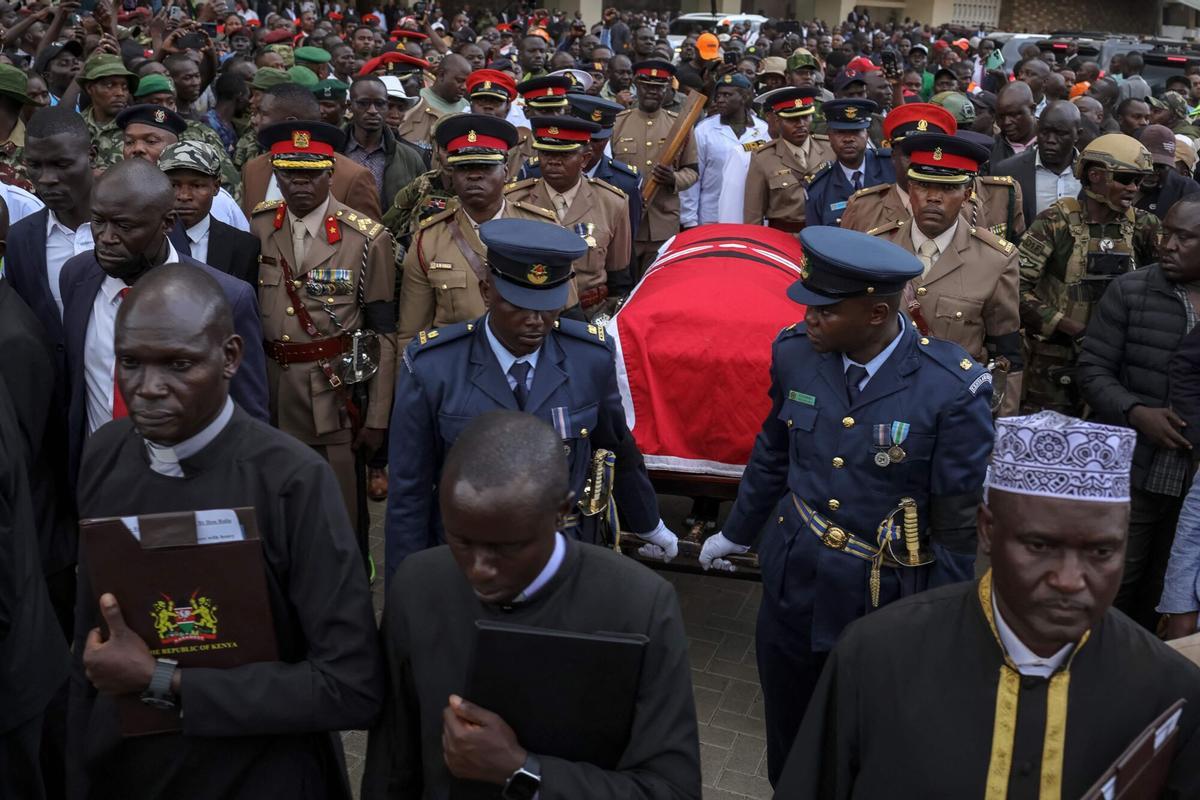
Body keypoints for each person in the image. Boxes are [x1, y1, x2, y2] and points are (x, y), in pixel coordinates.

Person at [67, 265, 382, 799]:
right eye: (131, 363)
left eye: (178, 364)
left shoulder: (293, 482)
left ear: (231, 357)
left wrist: (164, 680)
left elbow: (350, 687)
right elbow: (88, 641)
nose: (148, 389)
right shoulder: (105, 455)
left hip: (259, 775)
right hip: (129, 772)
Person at [698, 226, 994, 784]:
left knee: (869, 736)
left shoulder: (951, 389)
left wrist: (945, 624)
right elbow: (773, 452)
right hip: (795, 574)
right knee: (788, 722)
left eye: (826, 311)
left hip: (885, 592)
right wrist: (736, 532)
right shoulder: (795, 354)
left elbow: (955, 522)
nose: (809, 318)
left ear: (876, 313)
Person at [774, 411, 1200, 798]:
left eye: (1101, 552)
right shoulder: (876, 655)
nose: (1070, 580)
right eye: (1039, 545)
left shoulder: (1170, 695)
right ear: (987, 531)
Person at [362, 410, 700, 799]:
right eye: (461, 541)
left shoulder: (641, 607)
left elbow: (673, 789)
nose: (479, 569)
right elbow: (391, 762)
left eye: (507, 547)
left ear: (561, 513)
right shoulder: (418, 585)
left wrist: (522, 771)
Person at [384, 219, 679, 578]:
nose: (535, 321)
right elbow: (409, 493)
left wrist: (649, 523)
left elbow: (618, 448)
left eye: (548, 306)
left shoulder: (589, 359)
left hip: (563, 559)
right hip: (469, 564)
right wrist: (407, 587)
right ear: (486, 291)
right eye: (519, 306)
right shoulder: (435, 368)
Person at [59, 158, 269, 484]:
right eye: (98, 221)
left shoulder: (227, 298)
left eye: (124, 226)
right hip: (98, 481)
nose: (106, 237)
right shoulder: (76, 276)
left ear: (167, 223)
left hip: (192, 487)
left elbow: (250, 415)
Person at [250, 120, 396, 533]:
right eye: (289, 174)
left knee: (338, 513)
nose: (300, 183)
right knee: (276, 508)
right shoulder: (259, 226)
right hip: (270, 390)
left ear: (331, 173)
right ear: (275, 174)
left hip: (331, 396)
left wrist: (377, 417)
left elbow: (382, 332)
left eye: (312, 174)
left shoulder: (366, 238)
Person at [1077, 195, 1200, 630]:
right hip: (1132, 469)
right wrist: (1136, 412)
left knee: (1173, 594)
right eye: (1167, 233)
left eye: (1184, 238)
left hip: (1193, 482)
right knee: (1113, 586)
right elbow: (1092, 370)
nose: (1168, 244)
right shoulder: (1131, 291)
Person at [867, 132, 1023, 415]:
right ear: (910, 186)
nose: (933, 198)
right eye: (923, 185)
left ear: (967, 194)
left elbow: (1005, 355)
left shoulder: (996, 260)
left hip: (955, 409)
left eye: (948, 188)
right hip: (881, 402)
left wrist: (1000, 429)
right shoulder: (876, 248)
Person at [1017, 134, 1160, 415]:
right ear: (1095, 175)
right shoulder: (1054, 222)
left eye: (1139, 181)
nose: (1133, 188)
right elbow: (1015, 290)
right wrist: (1073, 328)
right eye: (1125, 179)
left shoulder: (1147, 226)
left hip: (1120, 362)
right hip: (1053, 363)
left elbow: (1164, 289)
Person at [397, 114, 571, 343]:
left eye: (486, 167)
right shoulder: (429, 239)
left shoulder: (543, 230)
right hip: (456, 360)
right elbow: (412, 333)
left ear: (506, 172)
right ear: (452, 174)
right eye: (464, 167)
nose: (474, 175)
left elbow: (568, 316)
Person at [503, 115, 632, 321]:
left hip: (590, 314)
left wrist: (608, 319)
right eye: (546, 153)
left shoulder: (612, 203)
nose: (553, 161)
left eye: (564, 154)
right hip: (529, 317)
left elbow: (619, 277)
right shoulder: (513, 200)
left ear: (585, 159)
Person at [610, 59, 698, 278]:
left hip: (664, 222)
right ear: (636, 86)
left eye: (658, 87)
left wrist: (674, 179)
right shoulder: (617, 123)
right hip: (627, 223)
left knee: (659, 282)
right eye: (646, 86)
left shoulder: (680, 126)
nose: (652, 91)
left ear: (667, 89)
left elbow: (692, 170)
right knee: (625, 284)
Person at [241, 83, 381, 220]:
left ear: (290, 122)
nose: (254, 120)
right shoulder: (253, 169)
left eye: (263, 114)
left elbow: (366, 233)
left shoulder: (353, 178)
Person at [521, 93, 641, 245]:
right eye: (581, 139)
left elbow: (625, 244)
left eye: (596, 140)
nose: (588, 146)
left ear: (608, 139)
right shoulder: (536, 171)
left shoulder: (625, 182)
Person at [840, 103, 957, 234]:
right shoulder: (863, 209)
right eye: (909, 154)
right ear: (893, 156)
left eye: (927, 155)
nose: (918, 162)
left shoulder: (964, 208)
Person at [160, 141, 261, 286]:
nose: (184, 196)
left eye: (197, 185)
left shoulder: (244, 247)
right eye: (173, 185)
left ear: (216, 187)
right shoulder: (146, 240)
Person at [680, 73, 769, 228]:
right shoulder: (704, 130)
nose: (720, 100)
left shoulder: (763, 130)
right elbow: (694, 177)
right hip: (712, 216)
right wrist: (689, 220)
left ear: (744, 97)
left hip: (752, 218)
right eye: (718, 95)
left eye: (727, 95)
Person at [743, 87, 829, 232]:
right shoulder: (763, 158)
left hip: (825, 234)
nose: (800, 124)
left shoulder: (829, 149)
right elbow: (753, 216)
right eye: (792, 119)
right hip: (784, 237)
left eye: (806, 117)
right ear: (777, 121)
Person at [993, 100, 1083, 228]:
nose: (1050, 140)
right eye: (1044, 132)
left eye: (1060, 134)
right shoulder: (1008, 172)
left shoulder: (1092, 173)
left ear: (1077, 135)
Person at [805, 98, 894, 227]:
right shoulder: (819, 187)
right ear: (829, 136)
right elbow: (815, 235)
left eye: (856, 131)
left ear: (867, 135)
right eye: (840, 132)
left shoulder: (891, 167)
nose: (848, 139)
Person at [342, 76, 427, 211]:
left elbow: (422, 205)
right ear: (349, 106)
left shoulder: (410, 158)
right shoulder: (332, 151)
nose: (372, 111)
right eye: (363, 103)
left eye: (380, 104)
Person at [396, 52, 470, 148]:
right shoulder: (419, 100)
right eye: (459, 81)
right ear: (441, 75)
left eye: (467, 82)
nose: (464, 87)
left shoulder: (466, 105)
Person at [79, 52, 138, 172]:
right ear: (90, 88)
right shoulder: (76, 125)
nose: (120, 93)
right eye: (110, 85)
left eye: (124, 87)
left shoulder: (137, 127)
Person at [1136, 124, 1200, 220]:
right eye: (1148, 164)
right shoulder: (1119, 181)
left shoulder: (1185, 189)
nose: (1153, 172)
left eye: (1161, 167)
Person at [991, 80, 1037, 166]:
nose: (1006, 122)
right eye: (1001, 116)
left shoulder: (1051, 144)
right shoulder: (990, 149)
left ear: (1032, 110)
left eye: (1013, 115)